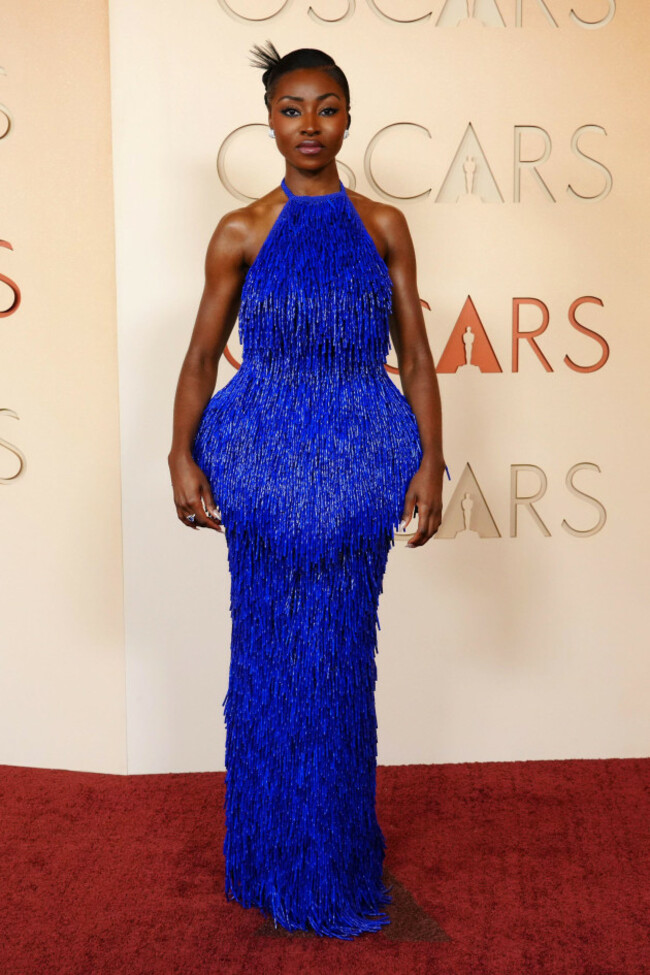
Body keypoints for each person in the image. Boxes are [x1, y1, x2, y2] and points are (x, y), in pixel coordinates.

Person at [167, 40, 447, 940]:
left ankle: (330, 855)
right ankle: (264, 853)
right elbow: (204, 358)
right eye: (292, 109)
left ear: (349, 116)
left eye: (326, 108)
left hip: (363, 451)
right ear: (270, 120)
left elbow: (416, 354)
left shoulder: (384, 225)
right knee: (268, 658)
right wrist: (181, 454)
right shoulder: (242, 229)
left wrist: (432, 460)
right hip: (258, 457)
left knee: (335, 664)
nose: (310, 126)